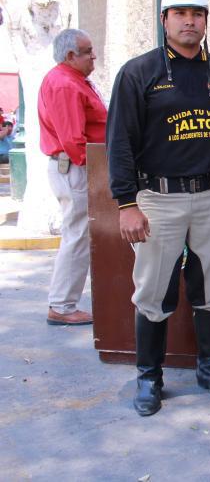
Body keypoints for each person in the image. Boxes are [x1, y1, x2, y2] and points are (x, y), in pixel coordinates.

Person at [106, 0, 210, 416]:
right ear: (164, 20)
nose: (189, 21)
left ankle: (207, 367)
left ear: (206, 21)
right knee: (153, 290)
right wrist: (126, 203)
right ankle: (150, 377)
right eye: (180, 13)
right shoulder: (138, 72)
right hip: (158, 199)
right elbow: (120, 142)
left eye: (197, 13)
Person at [38, 28, 107, 326]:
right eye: (88, 51)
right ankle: (63, 305)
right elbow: (73, 139)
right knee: (78, 234)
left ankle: (64, 303)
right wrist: (98, 171)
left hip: (77, 166)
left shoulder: (72, 81)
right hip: (77, 167)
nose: (94, 56)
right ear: (70, 56)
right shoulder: (65, 84)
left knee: (79, 233)